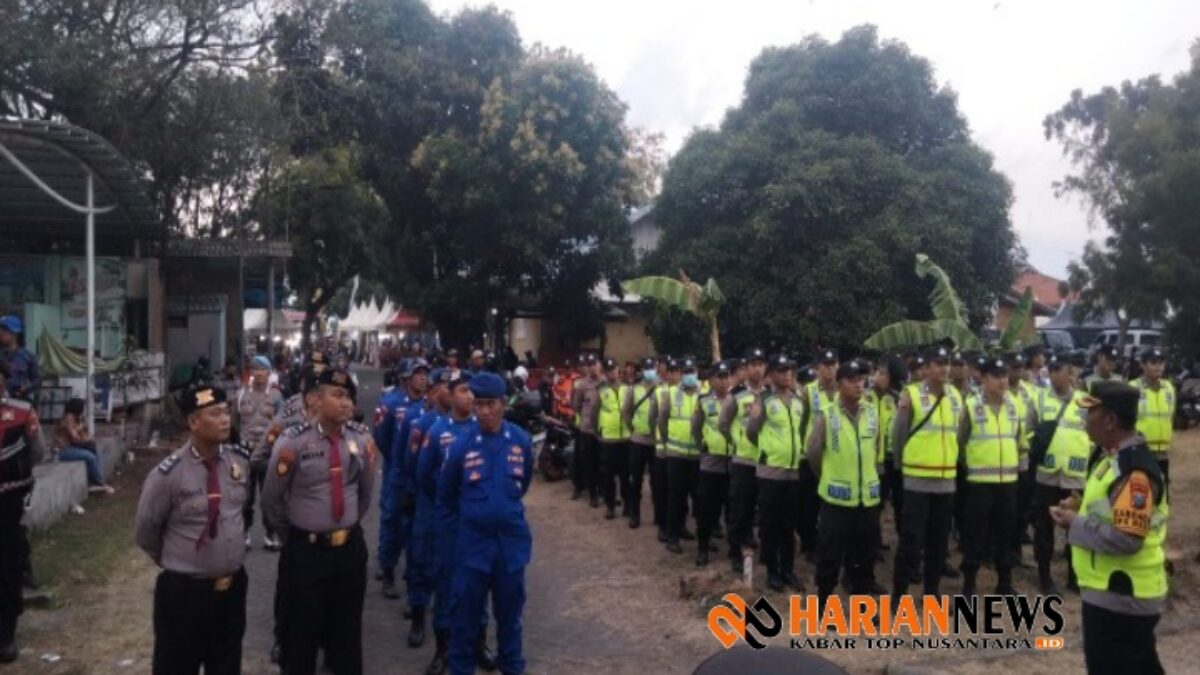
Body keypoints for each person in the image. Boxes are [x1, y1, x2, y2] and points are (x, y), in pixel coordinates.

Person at [262, 368, 376, 675]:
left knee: (346, 635)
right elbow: (272, 499)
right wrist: (298, 534)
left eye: (349, 396)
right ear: (315, 399)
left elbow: (365, 494)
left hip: (348, 551)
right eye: (337, 395)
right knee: (300, 637)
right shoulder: (292, 442)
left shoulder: (361, 439)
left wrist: (343, 526)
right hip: (305, 552)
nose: (346, 403)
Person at [1051, 382, 1167, 675]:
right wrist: (1080, 508)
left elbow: (1127, 539)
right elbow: (1110, 513)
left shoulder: (1133, 470)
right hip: (1109, 592)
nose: (1084, 419)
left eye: (1091, 412)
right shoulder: (1111, 458)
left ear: (1110, 420)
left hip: (1122, 596)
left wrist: (1073, 523)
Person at [134, 385, 250, 675]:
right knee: (176, 665)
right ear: (193, 422)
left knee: (226, 664)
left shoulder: (239, 463)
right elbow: (146, 532)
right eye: (215, 414)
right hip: (184, 594)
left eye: (226, 412)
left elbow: (242, 513)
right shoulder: (168, 475)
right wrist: (178, 562)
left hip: (230, 589)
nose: (225, 420)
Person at [437, 372, 534, 675]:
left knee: (510, 623)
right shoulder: (463, 444)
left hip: (510, 546)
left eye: (491, 404)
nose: (484, 411)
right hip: (473, 548)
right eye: (479, 404)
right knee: (464, 623)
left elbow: (524, 483)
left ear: (504, 404)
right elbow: (446, 494)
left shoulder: (520, 440)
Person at [807, 361, 882, 608]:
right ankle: (824, 606)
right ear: (839, 384)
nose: (858, 385)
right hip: (836, 500)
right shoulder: (826, 415)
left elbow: (876, 449)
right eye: (851, 380)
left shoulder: (872, 413)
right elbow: (814, 454)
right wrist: (828, 477)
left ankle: (862, 606)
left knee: (863, 557)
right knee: (829, 556)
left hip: (866, 500)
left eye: (861, 379)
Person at [891, 345, 964, 600]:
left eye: (947, 362)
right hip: (918, 482)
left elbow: (960, 434)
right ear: (927, 367)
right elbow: (898, 435)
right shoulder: (911, 395)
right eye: (938, 363)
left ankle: (931, 594)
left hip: (946, 482)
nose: (944, 367)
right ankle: (899, 596)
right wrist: (902, 469)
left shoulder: (955, 396)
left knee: (938, 544)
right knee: (910, 543)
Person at [957, 357, 1022, 596]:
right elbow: (961, 442)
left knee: (1006, 533)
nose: (1002, 380)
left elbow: (1017, 438)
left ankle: (1004, 583)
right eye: (995, 376)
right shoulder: (971, 405)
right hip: (980, 483)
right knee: (975, 534)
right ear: (983, 379)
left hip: (1007, 483)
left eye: (1004, 375)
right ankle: (969, 583)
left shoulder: (1014, 404)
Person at [1029, 353, 1090, 594]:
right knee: (1044, 528)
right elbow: (1028, 432)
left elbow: (1093, 434)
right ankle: (1045, 577)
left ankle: (1075, 577)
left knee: (1076, 527)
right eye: (1051, 369)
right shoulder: (1039, 399)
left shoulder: (1085, 401)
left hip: (1075, 475)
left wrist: (1085, 455)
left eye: (1059, 369)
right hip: (1047, 474)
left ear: (1070, 373)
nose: (1054, 374)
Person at [746, 354, 807, 592]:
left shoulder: (798, 402)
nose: (788, 374)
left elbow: (800, 431)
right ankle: (772, 571)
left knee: (789, 524)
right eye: (782, 370)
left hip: (793, 472)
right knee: (770, 523)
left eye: (790, 370)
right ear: (771, 375)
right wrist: (767, 451)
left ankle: (788, 569)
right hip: (770, 472)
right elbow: (752, 431)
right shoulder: (763, 400)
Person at [404, 368, 453, 648]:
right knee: (421, 559)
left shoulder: (466, 426)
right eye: (447, 387)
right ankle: (418, 618)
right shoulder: (423, 424)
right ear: (435, 392)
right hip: (428, 503)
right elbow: (412, 466)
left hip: (452, 508)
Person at [0, 363, 45, 664]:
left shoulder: (21, 411)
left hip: (8, 504)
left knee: (7, 569)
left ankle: (5, 636)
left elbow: (37, 451)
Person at [379, 359, 429, 599]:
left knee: (415, 530)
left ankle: (414, 581)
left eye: (424, 374)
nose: (422, 378)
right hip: (397, 472)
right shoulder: (390, 403)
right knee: (392, 521)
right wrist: (396, 461)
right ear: (406, 377)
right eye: (418, 374)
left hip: (420, 477)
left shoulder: (428, 405)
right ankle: (387, 570)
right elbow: (382, 437)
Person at [719, 348, 768, 574]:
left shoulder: (770, 394)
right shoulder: (736, 394)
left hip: (766, 463)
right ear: (746, 368)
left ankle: (762, 550)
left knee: (765, 510)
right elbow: (723, 423)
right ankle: (736, 550)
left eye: (761, 363)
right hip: (743, 461)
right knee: (741, 508)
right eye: (753, 363)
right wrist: (737, 442)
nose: (758, 368)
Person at [237, 356, 285, 549]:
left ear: (269, 373)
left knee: (268, 495)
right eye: (255, 369)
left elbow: (283, 424)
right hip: (245, 451)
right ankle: (245, 533)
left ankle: (270, 533)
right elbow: (234, 421)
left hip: (267, 453)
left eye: (262, 370)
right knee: (245, 496)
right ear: (251, 372)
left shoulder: (276, 396)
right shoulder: (241, 394)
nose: (258, 373)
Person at [658, 358, 702, 554]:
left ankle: (701, 537)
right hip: (676, 455)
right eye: (686, 371)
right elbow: (661, 421)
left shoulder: (705, 395)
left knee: (699, 500)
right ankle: (673, 536)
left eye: (692, 370)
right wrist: (669, 443)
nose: (689, 375)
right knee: (676, 498)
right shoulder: (671, 394)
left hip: (698, 457)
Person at [693, 361, 733, 567]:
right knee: (706, 508)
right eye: (720, 376)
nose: (725, 380)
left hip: (733, 463)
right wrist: (704, 445)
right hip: (711, 464)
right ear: (710, 380)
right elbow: (696, 428)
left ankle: (735, 552)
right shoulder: (703, 401)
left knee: (733, 510)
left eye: (727, 376)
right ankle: (702, 547)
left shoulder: (736, 400)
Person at [801, 349, 839, 562]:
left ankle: (827, 543)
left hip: (834, 455)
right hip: (811, 456)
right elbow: (801, 422)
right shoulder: (808, 391)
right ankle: (809, 545)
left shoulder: (843, 390)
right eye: (826, 364)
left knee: (831, 505)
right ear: (817, 368)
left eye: (833, 363)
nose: (830, 368)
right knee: (809, 505)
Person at [622, 359, 659, 530]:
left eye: (652, 367)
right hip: (638, 441)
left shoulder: (662, 388)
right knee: (635, 480)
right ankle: (634, 515)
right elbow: (626, 412)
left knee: (657, 482)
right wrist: (634, 429)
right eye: (646, 368)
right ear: (641, 371)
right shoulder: (634, 389)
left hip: (656, 442)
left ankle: (659, 516)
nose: (650, 370)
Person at [1131, 348, 1175, 484]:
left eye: (1161, 362)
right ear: (1143, 365)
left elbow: (1170, 417)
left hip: (1162, 454)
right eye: (1153, 362)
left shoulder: (1168, 388)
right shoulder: (1133, 387)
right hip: (1140, 453)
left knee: (1163, 495)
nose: (1158, 366)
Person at [52, 398, 114, 494]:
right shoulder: (69, 418)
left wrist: (89, 439)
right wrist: (83, 432)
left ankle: (95, 482)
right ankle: (100, 484)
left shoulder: (77, 418)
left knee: (95, 452)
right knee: (90, 457)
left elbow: (84, 435)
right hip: (62, 450)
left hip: (71, 447)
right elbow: (75, 438)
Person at [596, 359, 630, 520]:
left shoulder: (627, 389)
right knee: (608, 475)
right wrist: (598, 431)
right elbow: (595, 412)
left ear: (618, 370)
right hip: (608, 439)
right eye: (608, 370)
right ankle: (610, 507)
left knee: (625, 475)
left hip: (625, 438)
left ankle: (628, 505)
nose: (611, 373)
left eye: (613, 369)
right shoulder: (600, 390)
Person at [571, 354, 602, 507]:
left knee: (603, 463)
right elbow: (576, 405)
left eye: (594, 364)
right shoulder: (582, 384)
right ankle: (593, 494)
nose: (591, 367)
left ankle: (605, 491)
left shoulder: (605, 383)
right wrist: (585, 417)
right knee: (589, 463)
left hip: (603, 430)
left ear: (600, 366)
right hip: (587, 430)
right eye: (589, 364)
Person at [0, 316, 38, 402]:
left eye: (4, 330)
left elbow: (36, 381)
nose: (0, 333)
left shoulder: (28, 357)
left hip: (20, 404)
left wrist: (25, 388)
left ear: (15, 333)